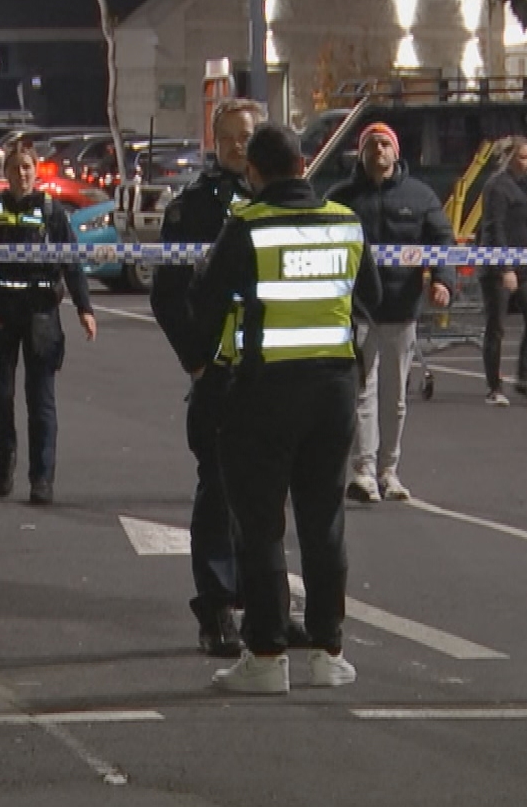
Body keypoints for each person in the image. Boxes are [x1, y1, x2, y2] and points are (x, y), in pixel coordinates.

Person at [187, 122, 381, 695]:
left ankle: (268, 655)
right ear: (303, 166)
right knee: (324, 524)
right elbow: (371, 297)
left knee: (260, 527)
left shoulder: (246, 225)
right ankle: (327, 650)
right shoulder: (346, 224)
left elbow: (206, 305)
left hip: (263, 393)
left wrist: (203, 363)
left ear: (254, 172)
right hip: (334, 389)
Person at [151, 96, 265, 658]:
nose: (241, 144)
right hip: (219, 374)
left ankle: (260, 601)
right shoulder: (193, 207)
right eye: (231, 136)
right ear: (214, 140)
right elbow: (168, 294)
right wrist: (194, 357)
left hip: (272, 373)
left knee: (267, 494)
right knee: (218, 491)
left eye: (250, 134)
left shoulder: (279, 198)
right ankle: (217, 606)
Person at [0, 143, 99, 505]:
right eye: (15, 168)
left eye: (28, 168)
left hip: (41, 312)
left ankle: (41, 478)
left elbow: (72, 263)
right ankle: (5, 455)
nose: (22, 175)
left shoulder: (51, 211)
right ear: (6, 173)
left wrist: (84, 308)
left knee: (40, 400)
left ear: (36, 171)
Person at [326, 121, 454, 504]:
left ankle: (389, 470)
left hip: (401, 310)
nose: (378, 151)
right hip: (356, 313)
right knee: (361, 393)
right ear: (361, 153)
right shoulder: (341, 198)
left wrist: (442, 280)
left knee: (395, 396)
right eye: (371, 145)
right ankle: (363, 471)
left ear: (396, 153)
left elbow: (442, 241)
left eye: (385, 144)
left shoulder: (420, 197)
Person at [479, 135, 527, 406]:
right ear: (509, 158)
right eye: (523, 157)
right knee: (496, 325)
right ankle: (494, 387)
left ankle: (524, 379)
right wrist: (504, 267)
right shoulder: (497, 187)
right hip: (500, 265)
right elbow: (494, 228)